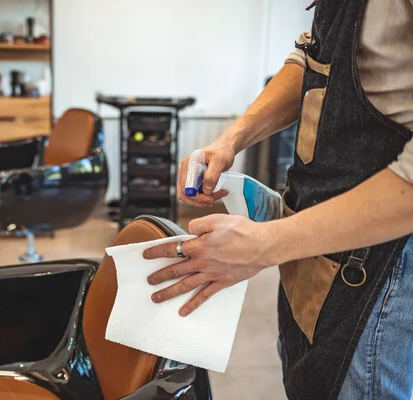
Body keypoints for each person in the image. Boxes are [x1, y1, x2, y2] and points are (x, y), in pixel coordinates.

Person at [142, 1, 413, 399]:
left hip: (382, 268)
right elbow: (315, 61)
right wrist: (229, 140)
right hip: (317, 256)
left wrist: (264, 245)